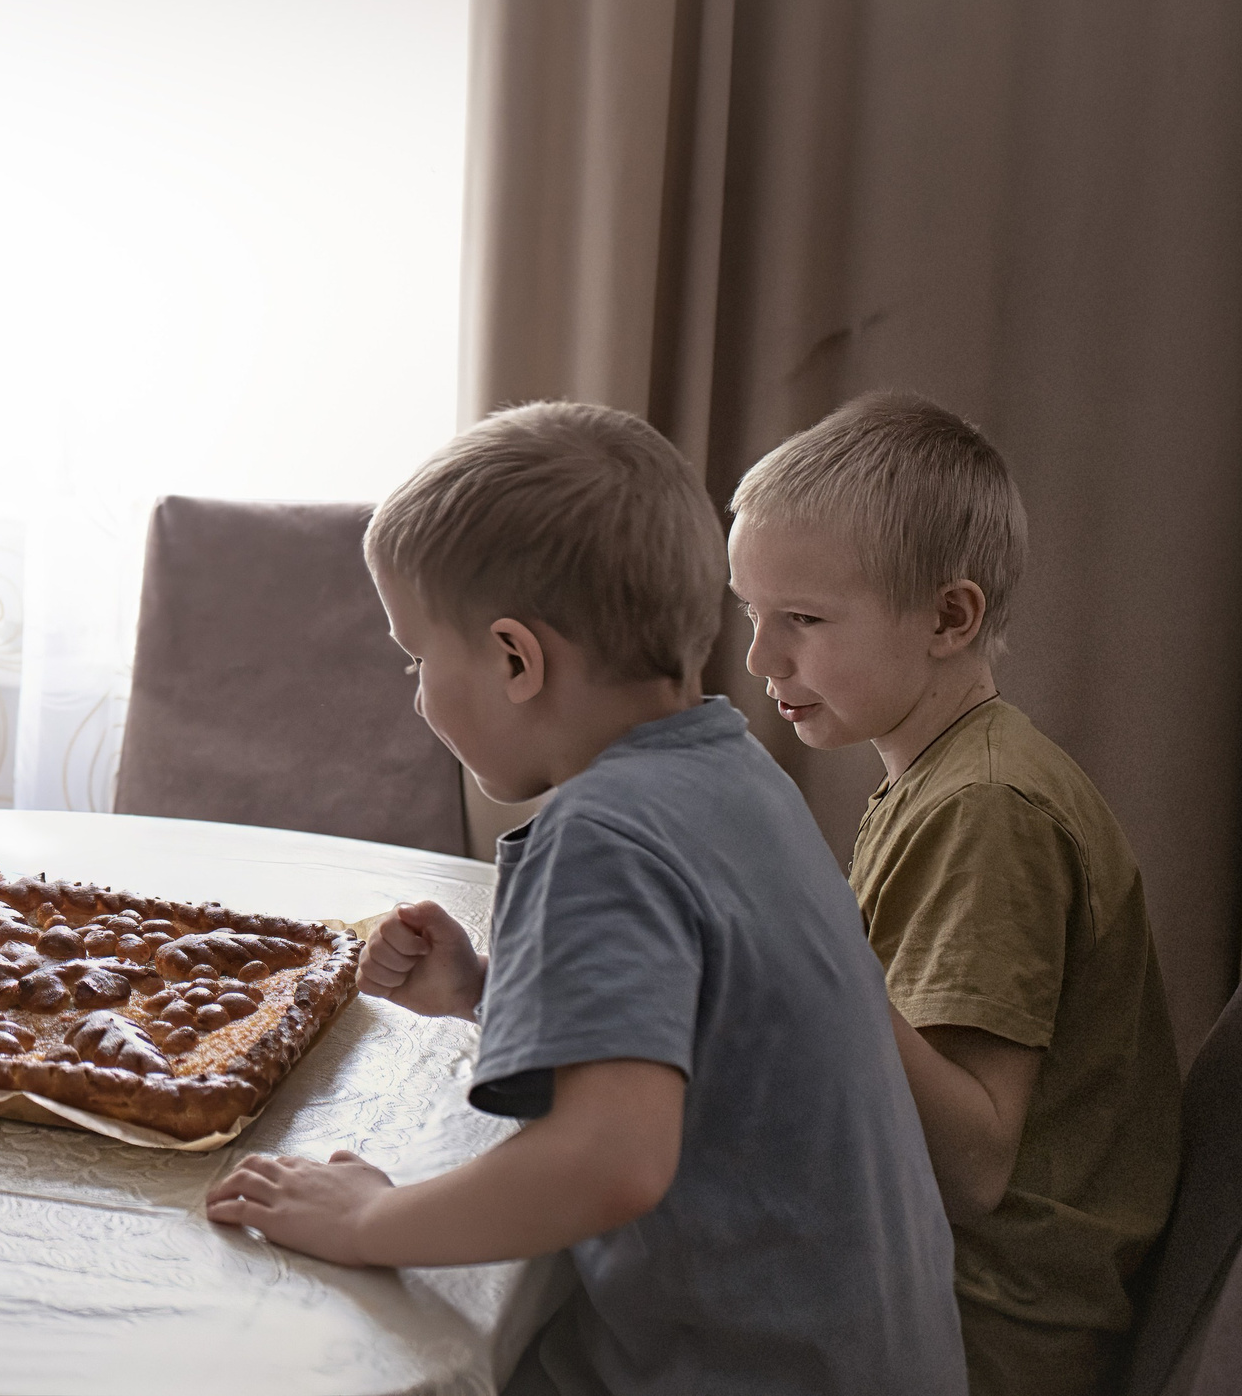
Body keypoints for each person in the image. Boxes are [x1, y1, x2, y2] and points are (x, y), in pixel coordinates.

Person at [206, 401, 963, 1396]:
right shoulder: (733, 772)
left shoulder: (601, 831)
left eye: (417, 659)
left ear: (516, 658)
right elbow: (704, 1025)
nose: (418, 693)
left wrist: (368, 1219)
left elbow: (609, 1159)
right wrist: (491, 989)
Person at [727, 392, 1179, 1395]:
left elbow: (971, 1167)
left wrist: (805, 945)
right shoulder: (942, 776)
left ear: (947, 616)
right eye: (750, 614)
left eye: (800, 618)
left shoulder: (987, 809)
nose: (760, 659)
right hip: (922, 1274)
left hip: (980, 1330)